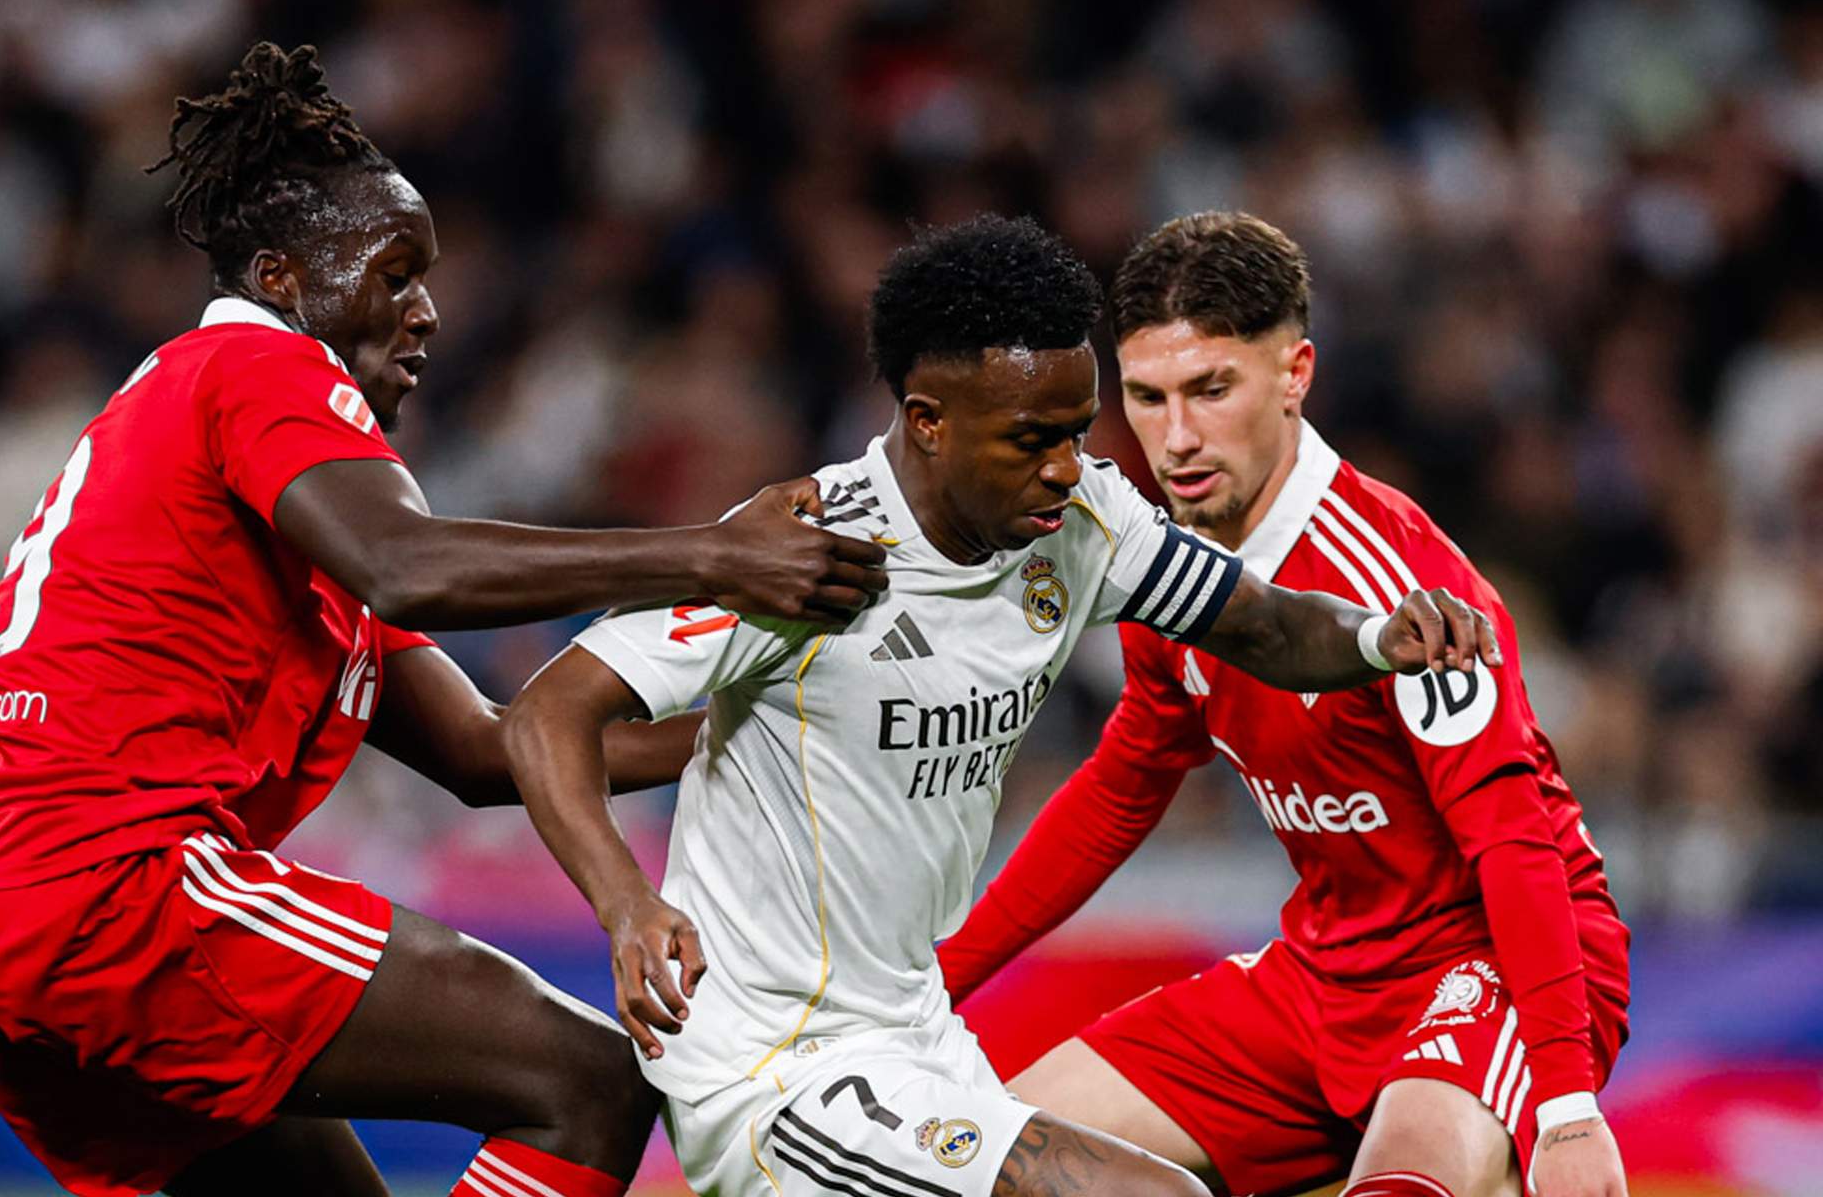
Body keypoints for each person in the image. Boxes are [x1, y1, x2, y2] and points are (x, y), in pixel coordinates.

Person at [0, 43, 888, 1197]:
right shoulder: (259, 366)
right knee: (590, 1083)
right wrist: (716, 556)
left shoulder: (267, 495)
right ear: (278, 277)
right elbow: (413, 567)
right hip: (106, 879)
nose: (425, 313)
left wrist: (759, 729)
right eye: (393, 273)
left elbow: (484, 751)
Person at [499, 214, 1502, 1197]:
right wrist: (627, 905)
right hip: (774, 1061)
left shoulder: (1083, 520)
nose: (1065, 466)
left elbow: (1268, 626)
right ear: (928, 421)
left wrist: (1378, 637)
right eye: (1030, 440)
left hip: (918, 1036)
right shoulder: (804, 550)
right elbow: (547, 714)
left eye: (1076, 431)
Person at [935, 213, 1632, 1197]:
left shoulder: (1401, 587)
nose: (1176, 438)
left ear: (1294, 373)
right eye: (1147, 398)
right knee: (993, 1167)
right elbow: (1121, 789)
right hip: (1325, 974)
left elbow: (1512, 841)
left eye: (1210, 389)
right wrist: (933, 984)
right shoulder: (1166, 572)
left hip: (1490, 972)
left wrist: (1564, 1105)